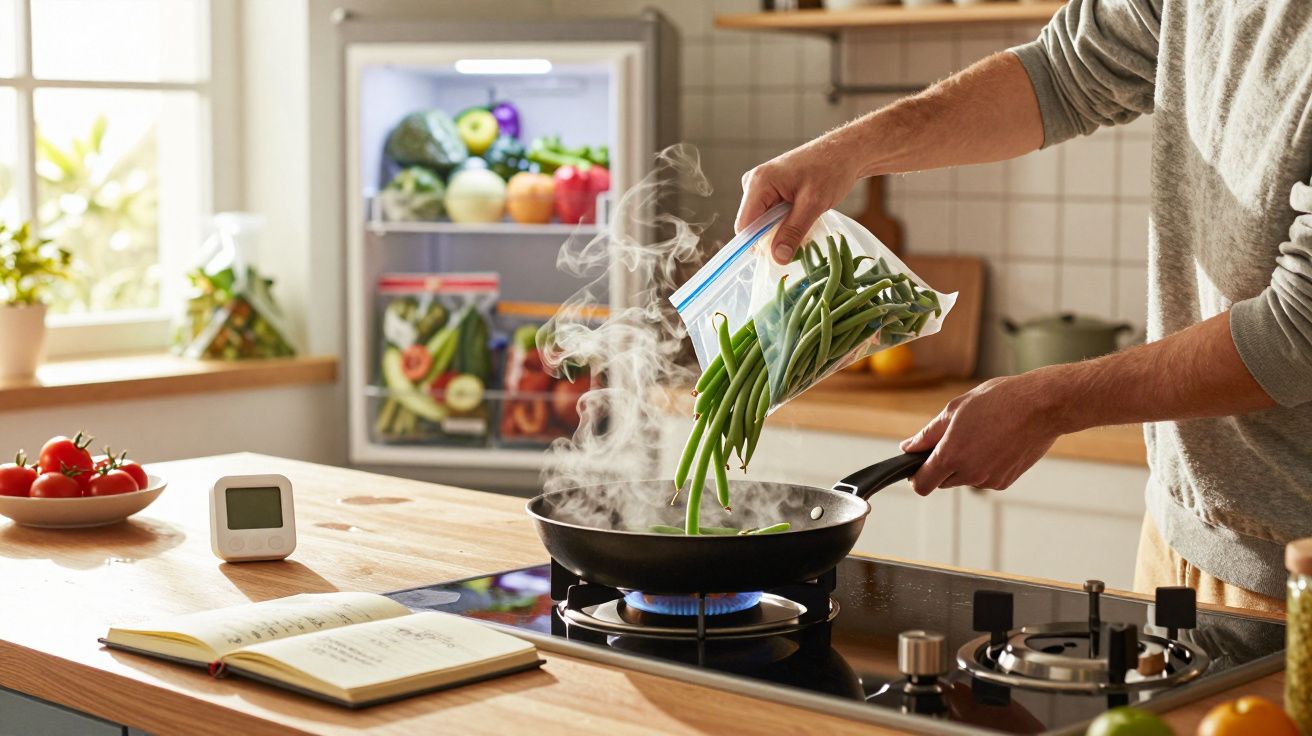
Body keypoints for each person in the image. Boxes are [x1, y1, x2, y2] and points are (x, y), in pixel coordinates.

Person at [736, 0, 1312, 613]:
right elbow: (1063, 73)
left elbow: (1298, 331)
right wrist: (846, 152)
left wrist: (1047, 404)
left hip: (1296, 566)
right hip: (1178, 528)